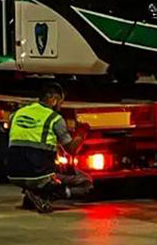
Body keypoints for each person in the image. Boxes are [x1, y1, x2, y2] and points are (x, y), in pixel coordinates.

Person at [6, 82, 93, 213]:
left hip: (13, 173)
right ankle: (44, 197)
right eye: (60, 102)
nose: (60, 107)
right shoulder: (54, 118)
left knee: (44, 168)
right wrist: (82, 133)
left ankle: (31, 195)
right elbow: (71, 150)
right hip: (38, 174)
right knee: (85, 183)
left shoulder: (17, 113)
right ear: (53, 99)